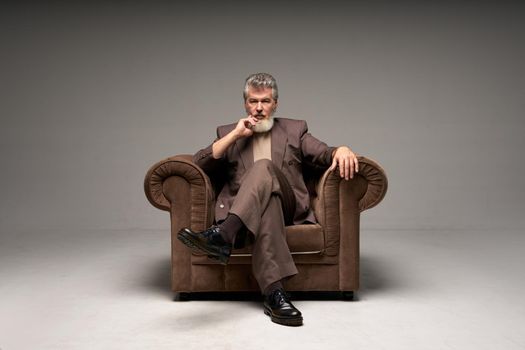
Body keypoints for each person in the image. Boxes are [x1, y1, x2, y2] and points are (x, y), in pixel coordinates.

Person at [177, 73, 358, 326]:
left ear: (275, 104)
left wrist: (342, 149)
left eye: (265, 101)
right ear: (245, 104)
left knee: (264, 168)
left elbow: (323, 153)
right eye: (253, 101)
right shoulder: (228, 132)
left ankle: (224, 234)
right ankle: (275, 295)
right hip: (252, 209)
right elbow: (200, 162)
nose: (259, 108)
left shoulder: (295, 130)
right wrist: (236, 136)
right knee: (267, 204)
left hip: (288, 206)